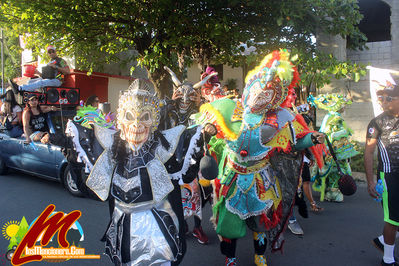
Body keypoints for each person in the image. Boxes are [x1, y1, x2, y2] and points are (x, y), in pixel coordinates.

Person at [194, 50, 325, 266]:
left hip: (261, 179)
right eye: (256, 91)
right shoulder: (230, 110)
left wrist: (313, 138)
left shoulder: (277, 121)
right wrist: (209, 128)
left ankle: (260, 255)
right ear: (248, 91)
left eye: (266, 95)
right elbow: (210, 126)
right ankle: (230, 258)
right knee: (229, 223)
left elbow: (291, 144)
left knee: (261, 222)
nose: (258, 97)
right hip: (233, 177)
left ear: (273, 100)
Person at [81, 78, 217, 266]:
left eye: (144, 117)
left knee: (158, 260)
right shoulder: (112, 146)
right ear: (121, 120)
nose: (137, 125)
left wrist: (205, 135)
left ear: (153, 121)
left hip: (154, 223)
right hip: (123, 221)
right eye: (130, 116)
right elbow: (94, 182)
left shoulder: (164, 146)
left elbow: (185, 172)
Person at [365, 83, 399, 266]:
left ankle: (381, 240)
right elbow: (369, 152)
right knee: (392, 218)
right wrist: (370, 181)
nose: (383, 102)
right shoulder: (376, 123)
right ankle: (387, 260)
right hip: (388, 176)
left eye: (388, 98)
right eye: (381, 98)